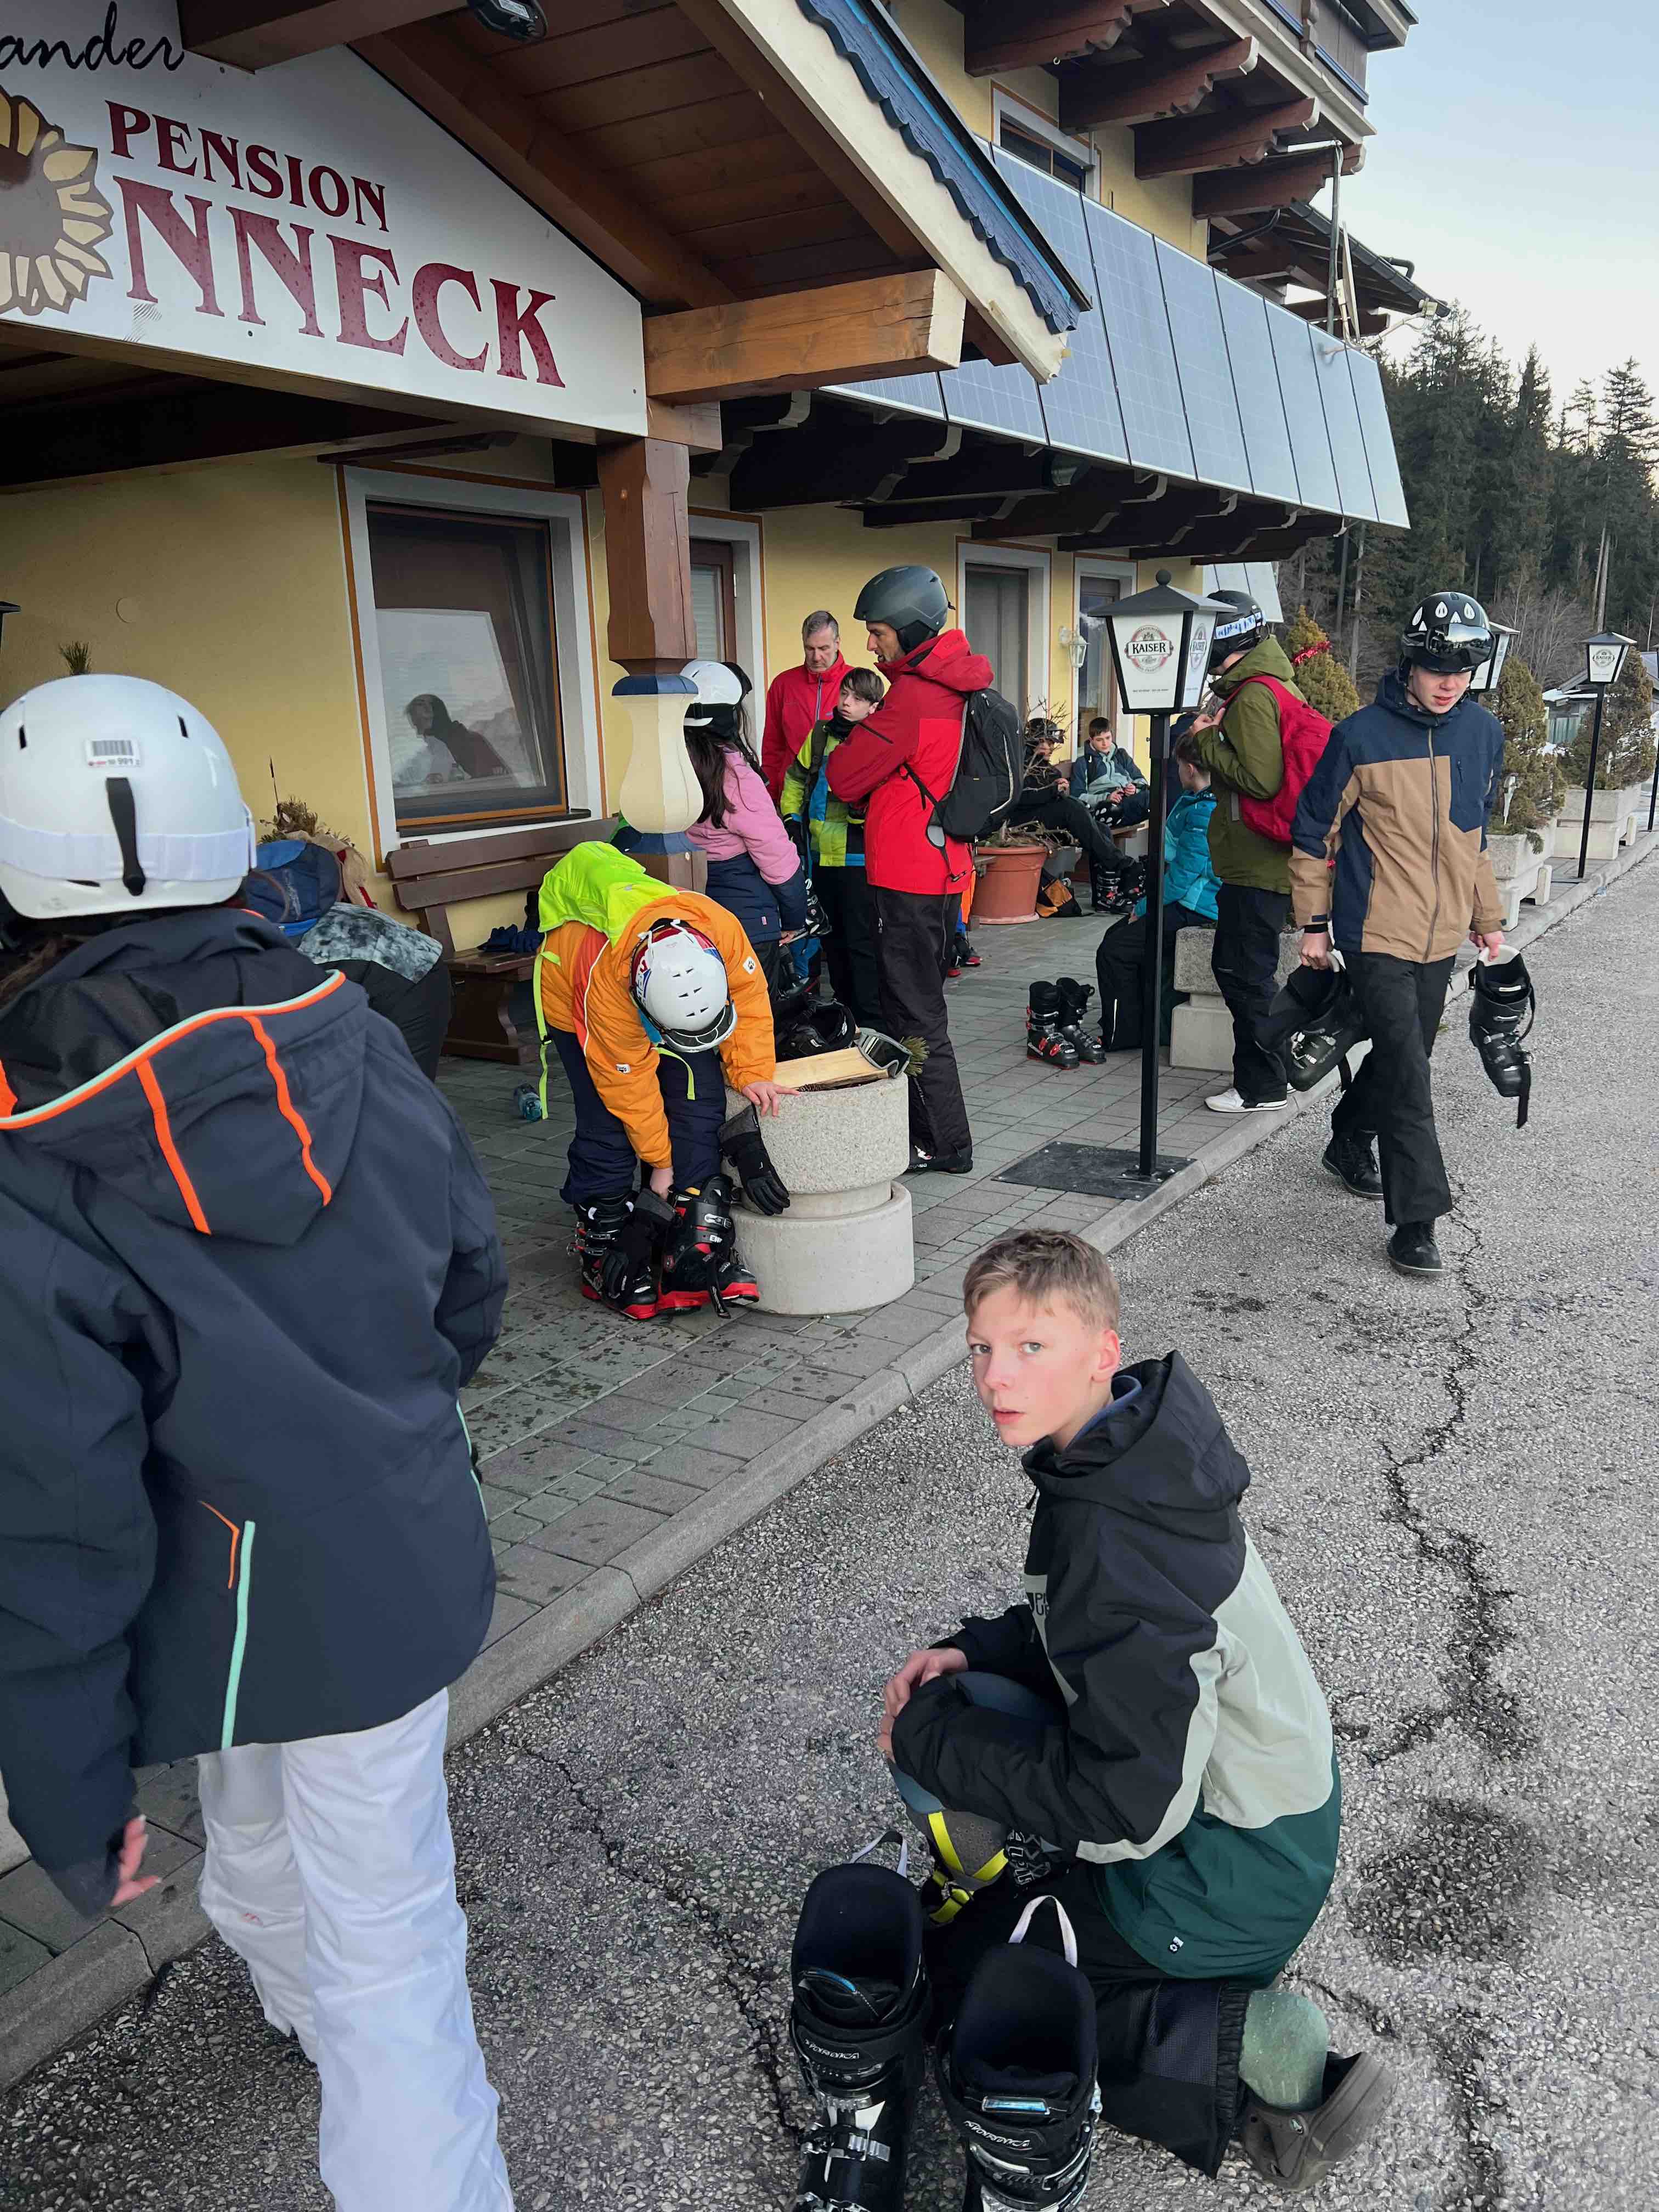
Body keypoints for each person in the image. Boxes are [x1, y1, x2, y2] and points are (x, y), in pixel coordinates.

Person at [0, 675, 514, 2211]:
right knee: (380, 1927)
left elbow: (56, 1512)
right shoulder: (358, 1034)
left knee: (277, 1852)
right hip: (389, 1561)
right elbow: (469, 1291)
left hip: (209, 1595)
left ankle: (318, 2019)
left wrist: (72, 1796)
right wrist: (375, 1421)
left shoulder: (27, 1141)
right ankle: (326, 2027)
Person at [880, 1229, 1394, 2192]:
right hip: (1259, 1820)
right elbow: (1084, 1633)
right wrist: (979, 1651)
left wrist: (928, 1742)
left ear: (1102, 1352)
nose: (995, 1376)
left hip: (1230, 1873)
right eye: (982, 1347)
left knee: (972, 2000)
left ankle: (1260, 2056)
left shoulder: (1119, 1542)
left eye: (1030, 1346)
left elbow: (1129, 1809)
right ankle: (1032, 1893)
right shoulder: (1123, 1452)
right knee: (961, 1707)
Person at [1293, 591, 1507, 1279]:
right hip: (1376, 931)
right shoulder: (1359, 737)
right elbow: (1314, 832)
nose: (1450, 682)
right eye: (1438, 667)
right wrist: (1314, 925)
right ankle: (1417, 1223)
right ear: (1411, 662)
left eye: (1463, 669)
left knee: (1402, 1054)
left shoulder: (1484, 733)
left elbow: (1474, 838)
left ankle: (1348, 1138)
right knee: (1412, 1074)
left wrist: (1487, 919)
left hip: (1441, 937)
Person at [533, 840, 793, 1318]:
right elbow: (631, 1089)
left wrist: (752, 1073)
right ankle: (602, 1249)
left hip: (641, 976)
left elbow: (751, 998)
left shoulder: (718, 926)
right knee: (608, 1125)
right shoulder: (607, 989)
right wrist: (660, 1164)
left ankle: (691, 1249)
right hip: (574, 997)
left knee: (700, 1098)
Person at [823, 565, 983, 1176]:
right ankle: (934, 1135)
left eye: (879, 632)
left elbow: (843, 777)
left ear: (911, 629)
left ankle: (944, 1143)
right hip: (940, 867)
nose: (870, 644)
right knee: (918, 1006)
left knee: (915, 1012)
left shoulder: (913, 699)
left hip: (909, 878)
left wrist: (859, 742)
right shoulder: (950, 685)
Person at [1187, 590, 1304, 1116]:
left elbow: (1260, 779)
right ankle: (1274, 1074)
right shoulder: (1266, 685)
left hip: (1258, 863)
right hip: (1257, 860)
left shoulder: (1254, 695)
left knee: (1245, 973)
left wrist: (1205, 740)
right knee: (1242, 969)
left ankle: (1264, 1085)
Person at [244, 838, 453, 1080]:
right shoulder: (281, 924)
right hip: (371, 967)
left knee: (401, 1085)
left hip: (415, 976)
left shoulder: (294, 946)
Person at [679, 659, 808, 988]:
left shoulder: (668, 766)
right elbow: (777, 857)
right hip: (745, 922)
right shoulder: (735, 776)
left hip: (685, 919)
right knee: (755, 1014)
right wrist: (794, 916)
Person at [1094, 726, 1217, 1052]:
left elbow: (1183, 878)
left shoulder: (1204, 811)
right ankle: (1139, 1024)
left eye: (1178, 766)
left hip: (1195, 907)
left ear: (1189, 768)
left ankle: (1124, 1034)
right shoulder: (1198, 801)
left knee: (1115, 950)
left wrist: (1144, 907)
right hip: (1188, 901)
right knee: (1117, 938)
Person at [779, 664, 885, 1028]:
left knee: (861, 944)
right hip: (820, 856)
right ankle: (845, 1018)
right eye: (844, 694)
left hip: (858, 859)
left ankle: (871, 1022)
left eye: (857, 699)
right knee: (832, 943)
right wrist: (791, 819)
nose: (846, 703)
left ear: (874, 707)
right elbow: (796, 779)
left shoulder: (878, 739)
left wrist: (861, 815)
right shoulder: (821, 734)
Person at [1001, 717, 1133, 887]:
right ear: (1034, 742)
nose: (1051, 748)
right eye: (1048, 743)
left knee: (1102, 829)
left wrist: (1057, 786)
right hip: (1023, 822)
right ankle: (1119, 863)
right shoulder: (1020, 766)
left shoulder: (1046, 767)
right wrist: (1053, 790)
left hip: (1046, 820)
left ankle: (1105, 891)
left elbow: (1049, 792)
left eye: (1052, 743)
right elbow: (1022, 798)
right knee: (1070, 808)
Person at [761, 610, 850, 799]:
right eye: (810, 648)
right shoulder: (783, 684)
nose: (816, 657)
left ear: (837, 643)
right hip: (791, 794)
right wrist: (770, 797)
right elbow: (772, 747)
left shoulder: (856, 683)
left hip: (837, 797)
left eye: (824, 648)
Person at [399, 692, 510, 786]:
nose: (419, 733)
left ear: (434, 718)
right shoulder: (431, 752)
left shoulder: (473, 743)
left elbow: (486, 785)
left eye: (420, 724)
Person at [1072, 714, 1150, 831]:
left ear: (1112, 736)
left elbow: (1141, 780)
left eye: (1108, 738)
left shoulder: (1121, 755)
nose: (1105, 743)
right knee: (1112, 809)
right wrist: (1107, 797)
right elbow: (1078, 797)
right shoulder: (1083, 762)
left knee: (1155, 795)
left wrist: (1134, 789)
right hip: (1105, 806)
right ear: (1091, 740)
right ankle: (1115, 816)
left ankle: (1119, 816)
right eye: (1099, 740)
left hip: (1127, 800)